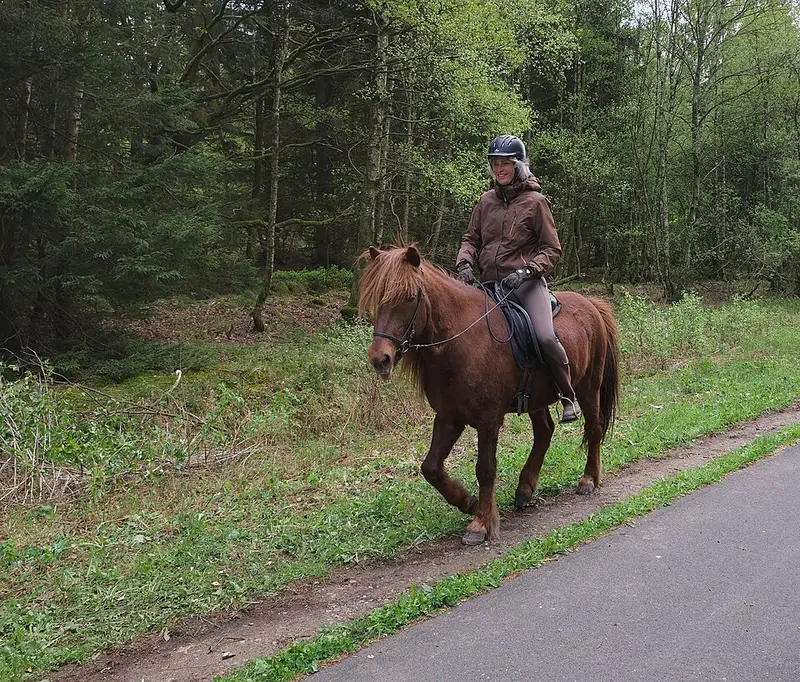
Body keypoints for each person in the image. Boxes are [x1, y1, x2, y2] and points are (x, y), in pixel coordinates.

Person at [455, 134, 580, 423]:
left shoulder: (536, 203)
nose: (499, 169)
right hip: (488, 284)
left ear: (518, 166)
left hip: (525, 285)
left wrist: (526, 272)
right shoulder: (485, 202)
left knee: (546, 336)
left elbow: (552, 249)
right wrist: (464, 262)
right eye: (495, 164)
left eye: (505, 164)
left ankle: (567, 394)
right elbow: (471, 238)